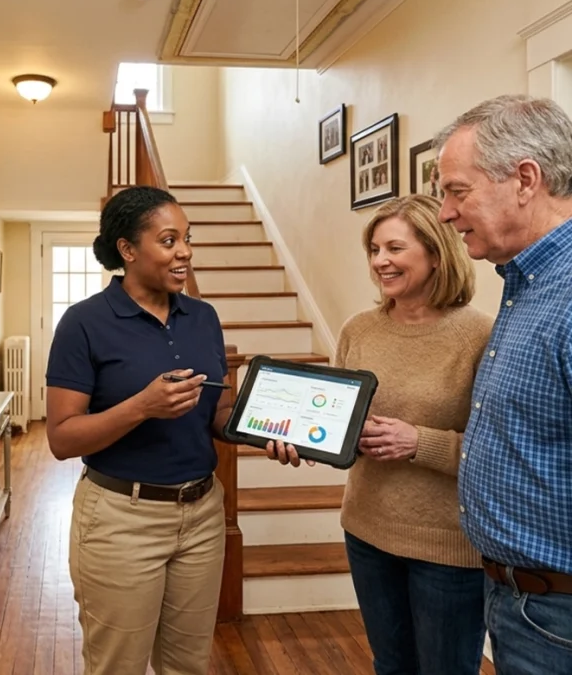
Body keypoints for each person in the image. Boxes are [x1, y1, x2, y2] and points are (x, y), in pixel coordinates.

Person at [268, 194, 493, 675]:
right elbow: (340, 430)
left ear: (435, 252)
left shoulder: (480, 336)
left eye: (394, 248)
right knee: (390, 666)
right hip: (367, 532)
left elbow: (498, 452)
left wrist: (419, 443)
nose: (379, 262)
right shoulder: (357, 330)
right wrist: (304, 440)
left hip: (447, 546)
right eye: (373, 249)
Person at [45, 185, 234, 675]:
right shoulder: (83, 323)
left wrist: (269, 429)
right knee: (117, 667)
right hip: (119, 521)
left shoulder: (204, 317)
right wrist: (142, 407)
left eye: (187, 238)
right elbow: (62, 439)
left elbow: (218, 413)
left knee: (188, 665)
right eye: (169, 240)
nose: (185, 251)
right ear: (128, 250)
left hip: (203, 515)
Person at [434, 94, 572, 674]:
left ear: (525, 179)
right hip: (517, 600)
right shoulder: (523, 285)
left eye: (456, 191)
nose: (444, 213)